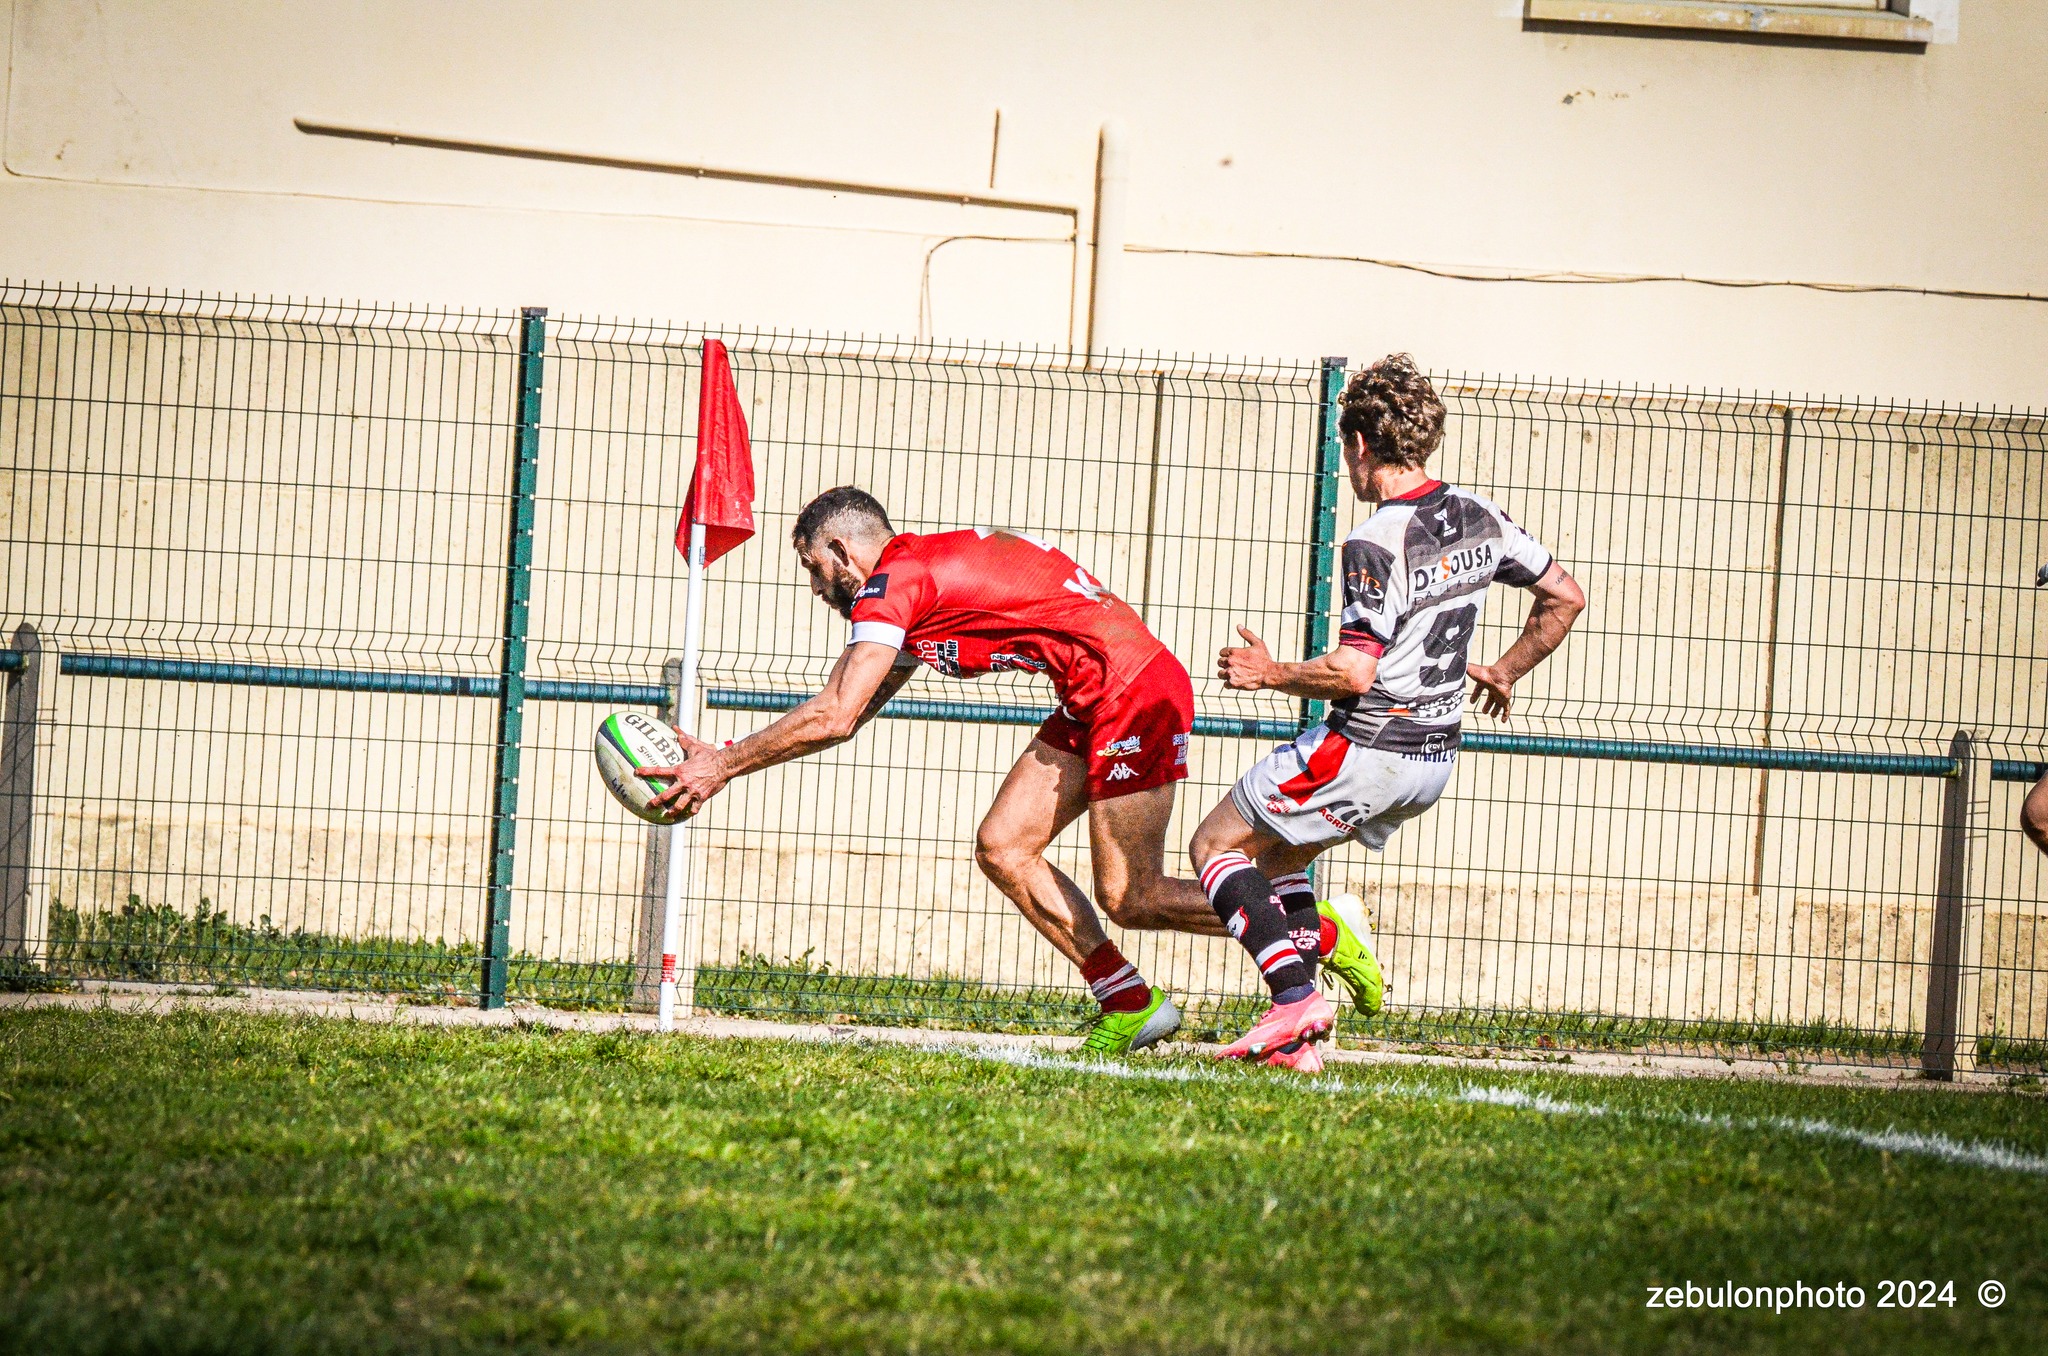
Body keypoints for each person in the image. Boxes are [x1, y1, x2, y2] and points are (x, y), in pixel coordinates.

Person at [644, 488, 1225, 1053]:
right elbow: (856, 709)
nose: (816, 587)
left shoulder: (894, 583)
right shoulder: (914, 586)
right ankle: (1128, 1000)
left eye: (813, 566)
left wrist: (720, 765)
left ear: (843, 551)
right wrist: (728, 757)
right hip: (1094, 690)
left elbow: (835, 713)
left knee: (1131, 896)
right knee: (1004, 846)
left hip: (1131, 689)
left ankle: (1303, 928)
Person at [1188, 354, 1587, 1072]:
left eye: (1344, 448)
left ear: (1361, 444)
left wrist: (1268, 671)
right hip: (1433, 756)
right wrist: (1503, 670)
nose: (1345, 462)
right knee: (1283, 857)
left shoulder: (1377, 539)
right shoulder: (1480, 515)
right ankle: (1301, 1044)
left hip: (1368, 744)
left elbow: (1352, 671)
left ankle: (1293, 1002)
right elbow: (1566, 597)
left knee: (1215, 846)